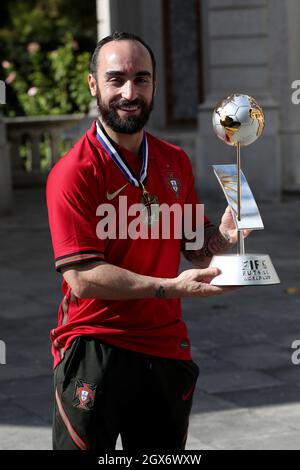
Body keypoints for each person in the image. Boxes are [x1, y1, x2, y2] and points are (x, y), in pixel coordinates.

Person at [46, 31, 248, 451]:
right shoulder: (74, 171)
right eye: (116, 79)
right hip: (94, 344)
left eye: (142, 79)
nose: (129, 92)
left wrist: (224, 236)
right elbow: (82, 277)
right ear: (93, 85)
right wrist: (167, 287)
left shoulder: (174, 160)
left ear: (154, 84)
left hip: (165, 346)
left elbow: (195, 245)